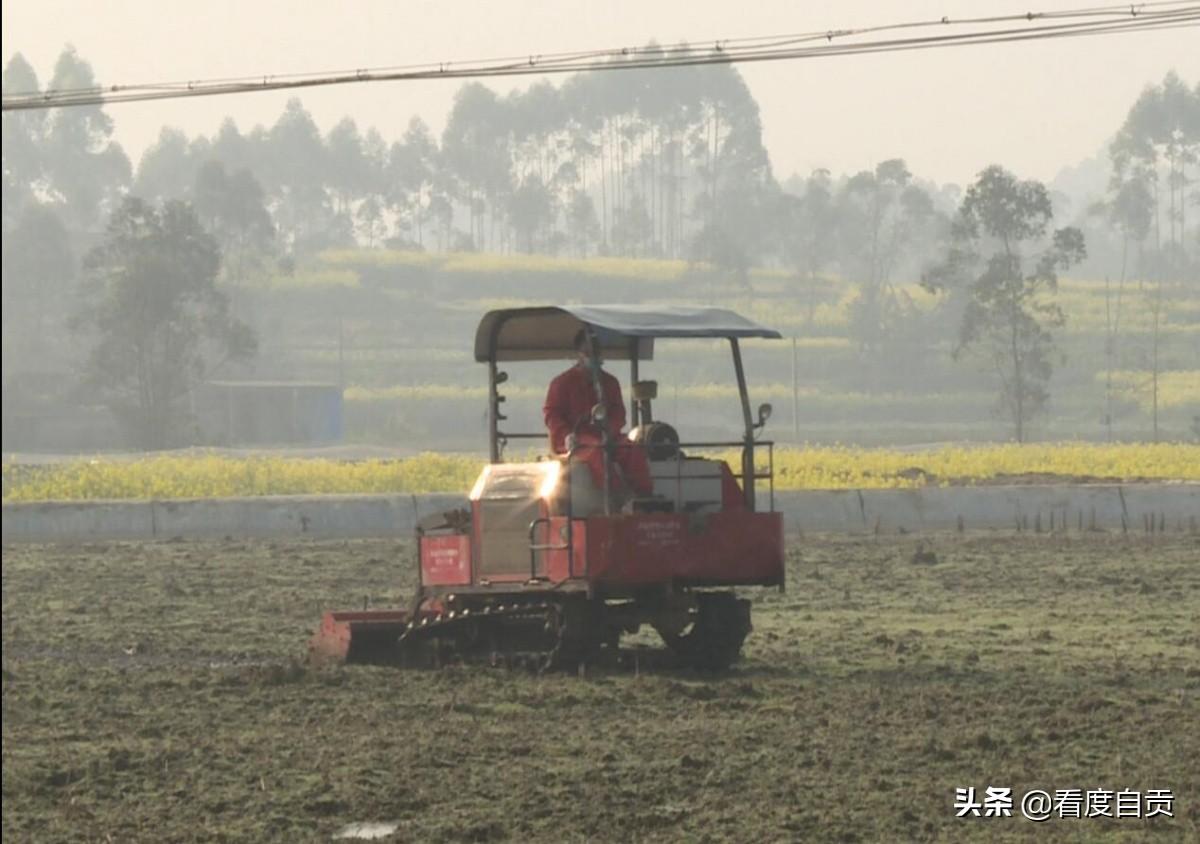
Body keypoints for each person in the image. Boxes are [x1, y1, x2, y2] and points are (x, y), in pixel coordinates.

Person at [543, 328, 653, 498]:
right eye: (588, 352)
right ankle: (617, 497)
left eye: (596, 352)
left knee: (632, 450)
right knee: (597, 452)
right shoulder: (562, 383)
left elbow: (618, 412)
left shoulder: (610, 382)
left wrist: (610, 429)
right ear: (579, 354)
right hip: (576, 440)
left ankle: (645, 497)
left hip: (607, 436)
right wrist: (566, 435)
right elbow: (552, 415)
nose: (593, 356)